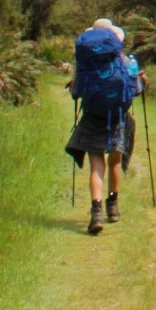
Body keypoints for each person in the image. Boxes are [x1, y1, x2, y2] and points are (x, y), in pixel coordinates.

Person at [65, 18, 146, 235]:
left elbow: (76, 93)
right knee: (115, 161)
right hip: (117, 116)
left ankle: (96, 211)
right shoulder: (124, 62)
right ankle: (113, 206)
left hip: (93, 116)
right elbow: (136, 89)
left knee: (96, 165)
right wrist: (142, 80)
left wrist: (75, 88)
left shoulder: (85, 64)